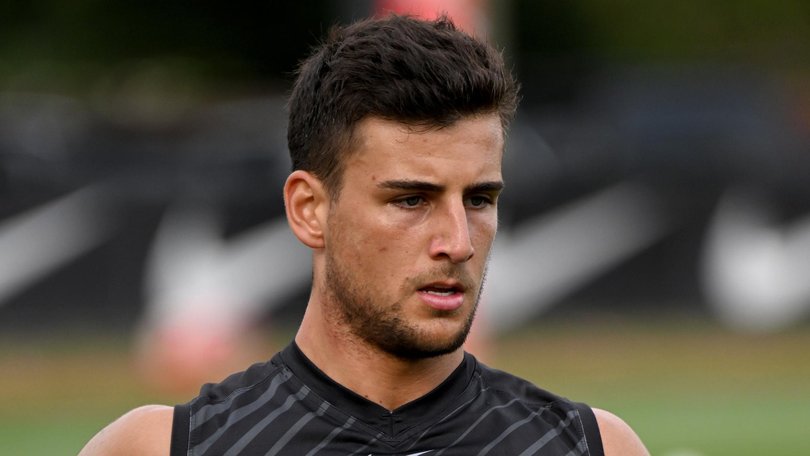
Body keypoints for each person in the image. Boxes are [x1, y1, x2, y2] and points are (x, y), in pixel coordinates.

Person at [80, 14, 649, 455]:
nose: (459, 241)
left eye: (479, 199)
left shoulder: (590, 446)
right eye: (410, 199)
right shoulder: (166, 448)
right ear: (309, 210)